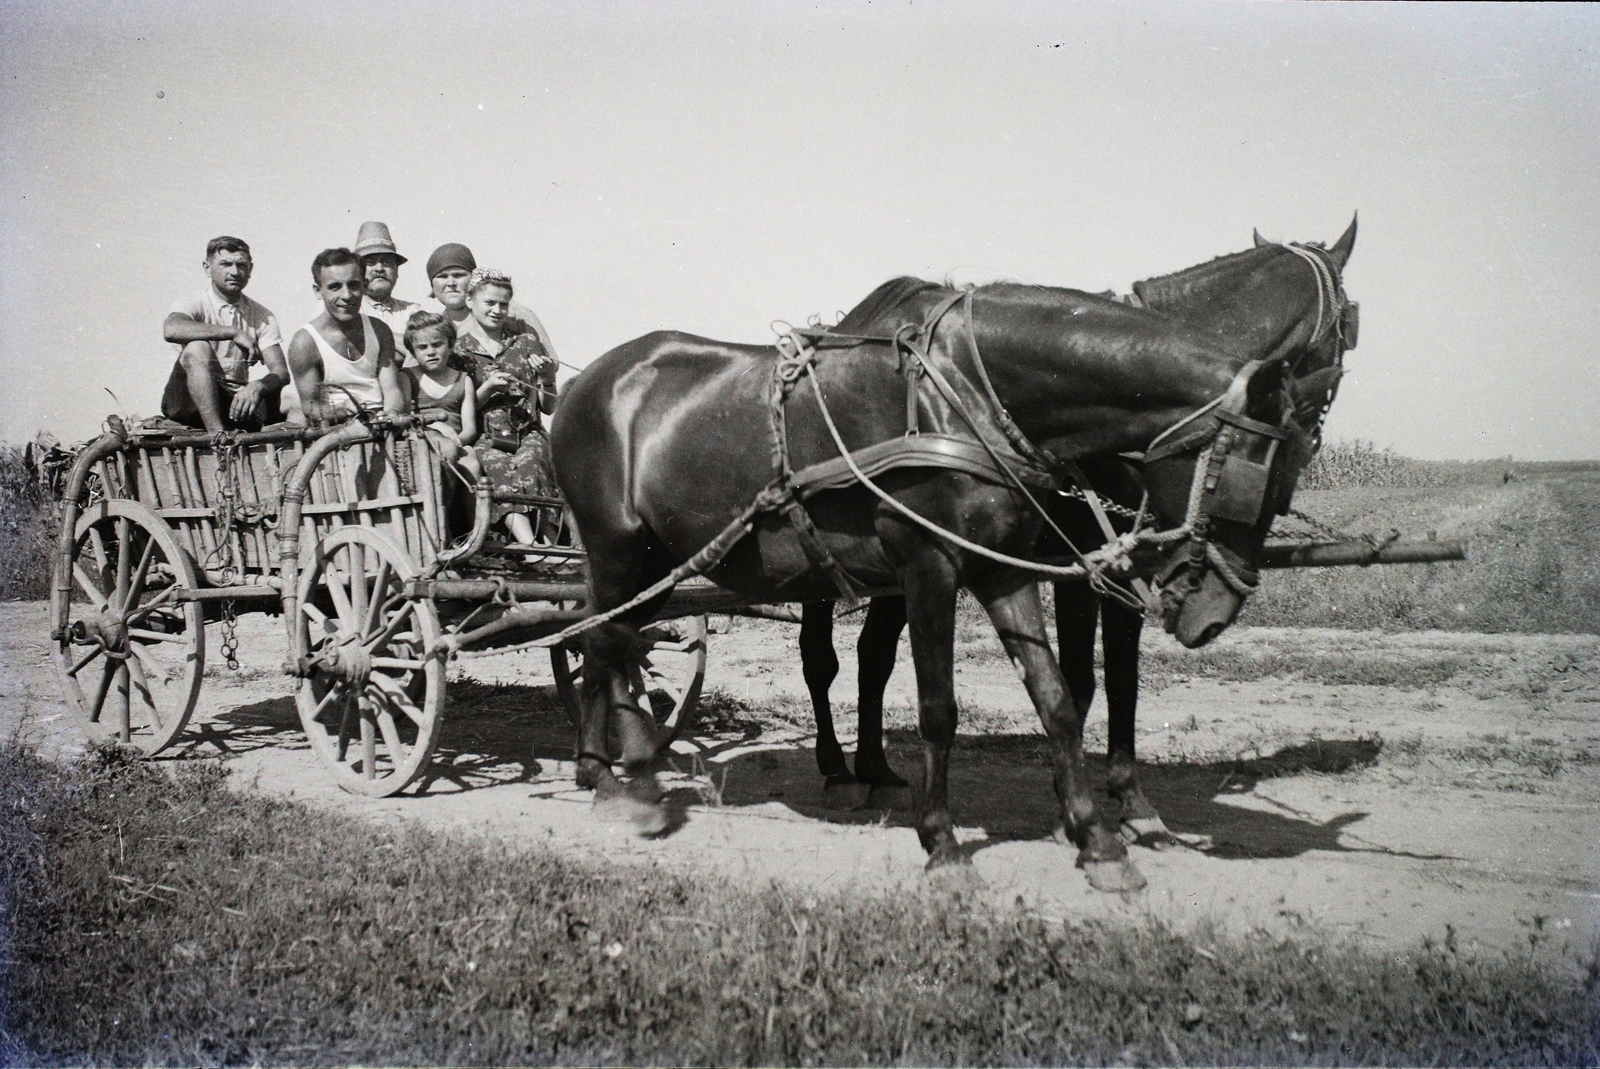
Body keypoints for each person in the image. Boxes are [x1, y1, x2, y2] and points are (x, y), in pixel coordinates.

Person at [451, 268, 557, 545]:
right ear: (470, 300)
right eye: (490, 303)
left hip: (529, 432)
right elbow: (460, 409)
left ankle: (552, 543)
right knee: (499, 470)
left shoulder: (526, 342)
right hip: (487, 437)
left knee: (533, 463)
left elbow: (549, 408)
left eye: (503, 304)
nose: (497, 310)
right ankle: (529, 545)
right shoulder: (458, 351)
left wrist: (546, 378)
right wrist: (486, 389)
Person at [160, 236, 290, 432]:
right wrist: (233, 332)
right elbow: (171, 329)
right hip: (188, 400)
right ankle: (218, 437)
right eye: (225, 264)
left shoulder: (262, 315)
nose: (235, 272)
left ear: (250, 269)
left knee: (291, 394)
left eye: (241, 265)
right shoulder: (194, 302)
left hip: (233, 401)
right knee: (197, 347)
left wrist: (257, 386)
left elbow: (280, 371)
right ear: (207, 268)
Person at [285, 248, 407, 424]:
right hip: (338, 429)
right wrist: (342, 410)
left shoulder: (379, 330)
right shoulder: (305, 342)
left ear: (365, 285)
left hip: (382, 422)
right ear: (318, 291)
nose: (347, 295)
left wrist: (391, 415)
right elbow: (310, 407)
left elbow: (391, 391)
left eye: (354, 285)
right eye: (335, 287)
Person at [422, 242, 560, 361]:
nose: (451, 282)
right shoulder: (432, 326)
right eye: (442, 276)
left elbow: (551, 362)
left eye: (458, 275)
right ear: (432, 284)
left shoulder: (514, 313)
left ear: (473, 279)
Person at [402, 311, 480, 479]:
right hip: (421, 439)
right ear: (413, 351)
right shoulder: (407, 377)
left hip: (458, 442)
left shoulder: (463, 380)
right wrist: (434, 428)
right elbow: (405, 417)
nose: (430, 352)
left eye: (437, 345)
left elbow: (470, 429)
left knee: (471, 462)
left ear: (451, 345)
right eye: (422, 347)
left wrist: (455, 442)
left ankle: (474, 505)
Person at [354, 221, 423, 363]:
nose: (379, 268)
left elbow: (423, 354)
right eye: (370, 262)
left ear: (397, 271)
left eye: (386, 262)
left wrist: (371, 334)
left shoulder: (413, 311)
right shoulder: (345, 308)